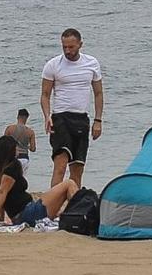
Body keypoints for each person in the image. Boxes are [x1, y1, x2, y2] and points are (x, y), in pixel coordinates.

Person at [40, 27, 104, 188]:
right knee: (60, 166)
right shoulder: (53, 65)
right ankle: (52, 209)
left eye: (71, 47)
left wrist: (98, 121)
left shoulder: (92, 63)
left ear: (80, 44)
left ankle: (72, 210)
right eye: (64, 47)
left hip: (81, 119)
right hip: (60, 118)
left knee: (77, 169)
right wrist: (47, 116)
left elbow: (98, 93)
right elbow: (45, 95)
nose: (67, 51)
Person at [0, 135, 79, 226]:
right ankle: (81, 212)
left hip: (23, 216)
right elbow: (2, 194)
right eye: (16, 148)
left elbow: (1, 197)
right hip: (29, 214)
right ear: (9, 151)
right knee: (69, 184)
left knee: (61, 201)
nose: (18, 151)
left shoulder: (0, 173)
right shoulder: (13, 166)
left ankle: (75, 214)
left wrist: (1, 220)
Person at [4, 108, 37, 173]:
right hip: (24, 158)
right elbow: (33, 149)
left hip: (12, 157)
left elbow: (4, 144)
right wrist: (27, 146)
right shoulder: (30, 132)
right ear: (26, 118)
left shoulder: (9, 129)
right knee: (21, 179)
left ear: (17, 117)